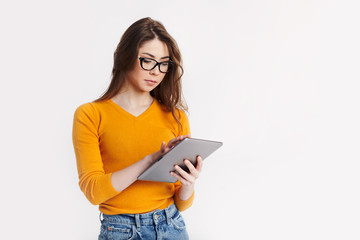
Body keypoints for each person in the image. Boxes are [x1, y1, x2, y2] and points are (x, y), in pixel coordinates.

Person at [72, 17, 202, 240]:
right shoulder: (90, 114)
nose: (156, 72)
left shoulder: (175, 116)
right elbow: (94, 191)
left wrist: (189, 184)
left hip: (172, 226)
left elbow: (182, 202)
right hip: (121, 230)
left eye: (163, 63)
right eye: (148, 60)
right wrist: (149, 161)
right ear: (125, 57)